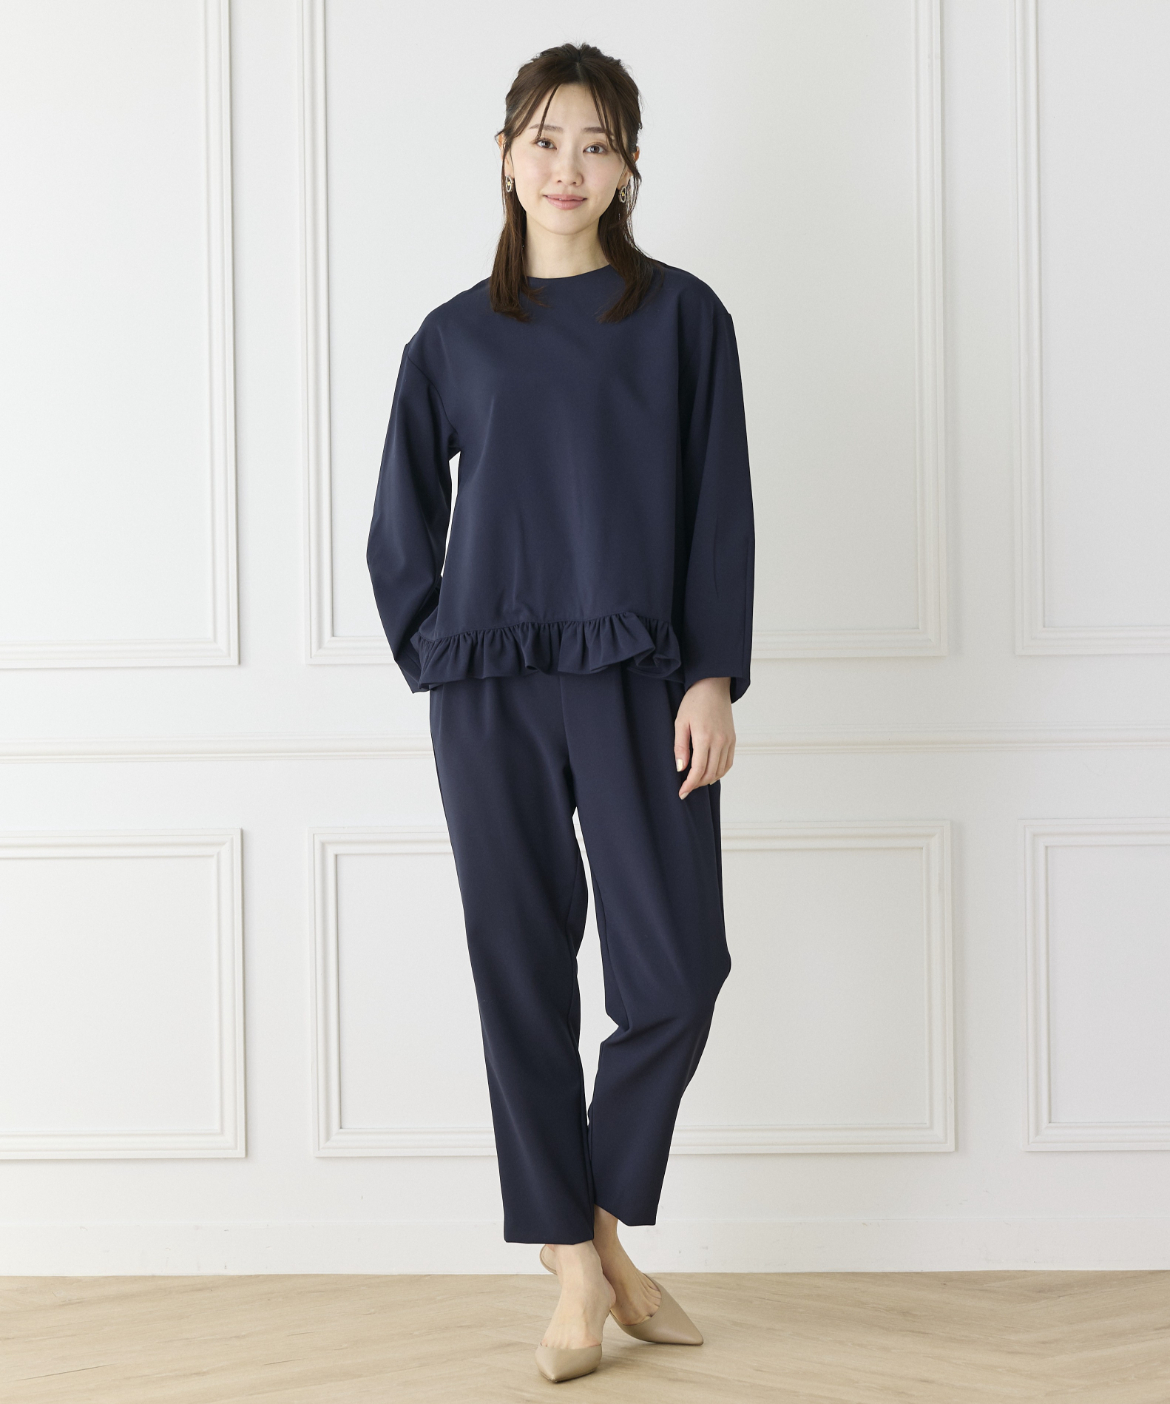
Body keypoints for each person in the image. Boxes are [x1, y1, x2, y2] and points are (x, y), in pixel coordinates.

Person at [367, 41, 755, 1385]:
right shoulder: (453, 337)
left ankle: (587, 1226)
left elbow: (719, 505)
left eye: (595, 142)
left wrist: (710, 672)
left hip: (644, 680)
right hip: (489, 690)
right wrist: (433, 647)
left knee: (679, 973)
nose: (567, 167)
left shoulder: (684, 318)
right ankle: (581, 1275)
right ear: (504, 157)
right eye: (544, 139)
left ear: (629, 164)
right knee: (520, 971)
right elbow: (399, 519)